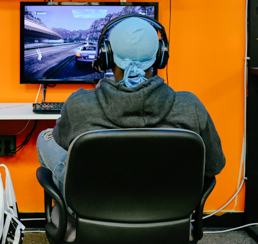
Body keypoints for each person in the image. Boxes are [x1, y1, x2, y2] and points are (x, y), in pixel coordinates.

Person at [36, 16, 226, 202]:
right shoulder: (190, 106)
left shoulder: (79, 104)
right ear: (160, 56)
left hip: (92, 210)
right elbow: (214, 166)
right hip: (169, 213)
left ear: (107, 56)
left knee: (45, 138)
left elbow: (61, 140)